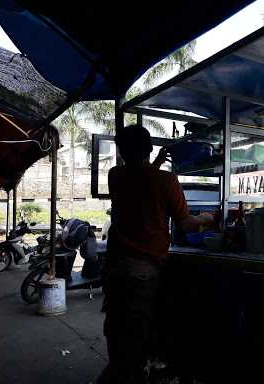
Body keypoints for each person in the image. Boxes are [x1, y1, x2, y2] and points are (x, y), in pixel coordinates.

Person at [97, 125, 214, 383]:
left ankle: (119, 371)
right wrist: (208, 217)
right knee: (137, 338)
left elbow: (140, 181)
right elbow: (186, 224)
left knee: (116, 330)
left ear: (121, 150)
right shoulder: (166, 181)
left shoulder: (115, 175)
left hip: (114, 268)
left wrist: (157, 164)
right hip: (142, 272)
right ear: (149, 149)